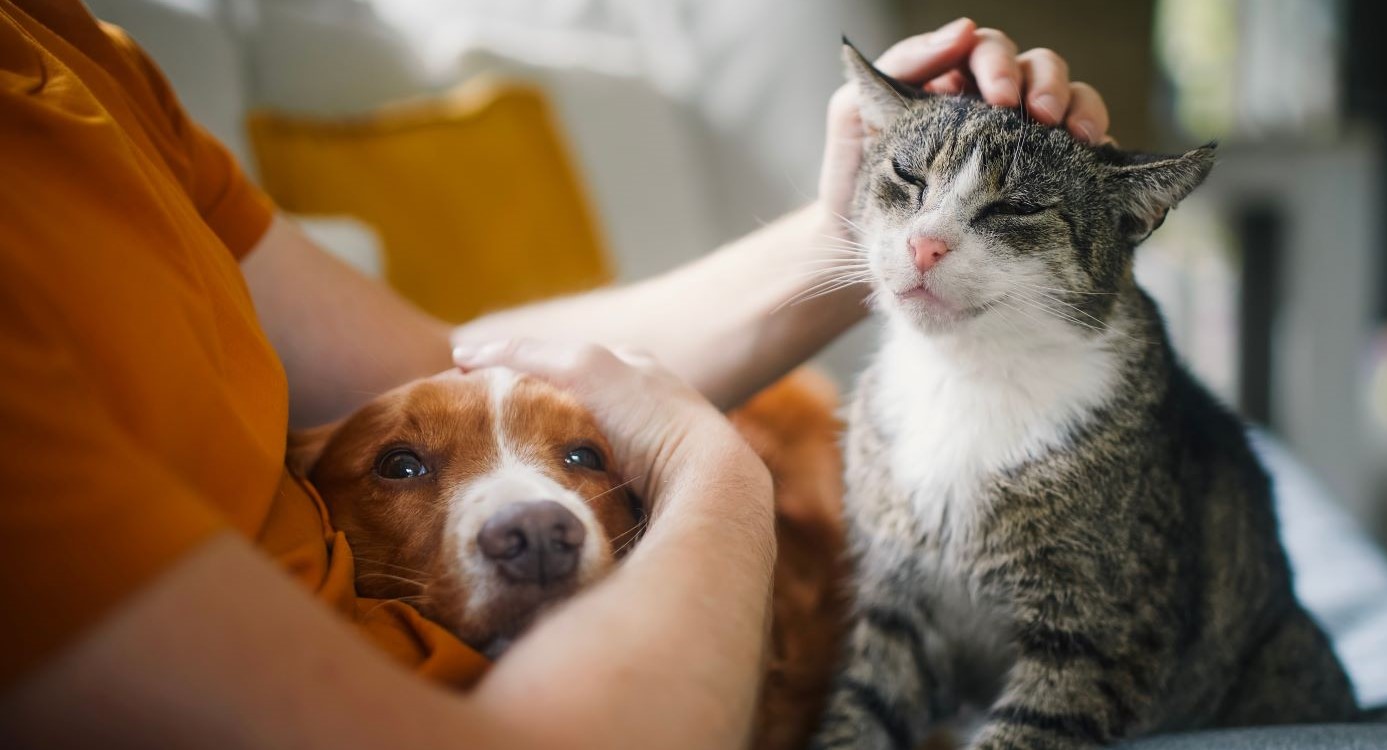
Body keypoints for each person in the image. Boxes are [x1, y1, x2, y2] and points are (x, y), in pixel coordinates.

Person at [0, 2, 1109, 746]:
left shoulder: (75, 57)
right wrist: (708, 474)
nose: (531, 518)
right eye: (397, 468)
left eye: (585, 462)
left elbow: (448, 372)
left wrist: (848, 234)